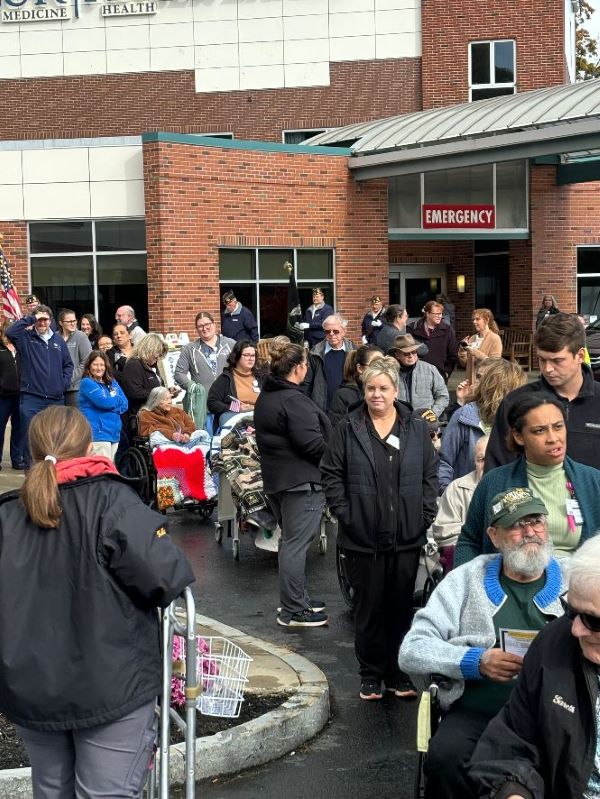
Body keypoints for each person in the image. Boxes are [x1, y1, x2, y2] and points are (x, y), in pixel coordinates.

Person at [0, 405, 194, 798]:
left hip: (31, 686)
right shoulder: (113, 501)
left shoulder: (8, 515)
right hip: (112, 683)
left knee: (50, 789)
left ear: (33, 451)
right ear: (89, 448)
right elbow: (166, 577)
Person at [399, 488, 565, 799]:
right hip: (478, 713)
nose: (530, 532)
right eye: (517, 525)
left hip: (555, 715)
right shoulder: (464, 580)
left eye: (536, 521)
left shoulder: (574, 580)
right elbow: (412, 649)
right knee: (445, 758)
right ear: (494, 535)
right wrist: (475, 661)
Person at [320, 356, 438, 699]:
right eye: (370, 388)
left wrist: (424, 514)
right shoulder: (348, 427)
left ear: (395, 390)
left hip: (406, 534)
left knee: (400, 607)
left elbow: (430, 474)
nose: (376, 394)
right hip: (362, 536)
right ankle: (371, 673)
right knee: (368, 607)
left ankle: (398, 672)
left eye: (383, 388)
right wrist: (346, 514)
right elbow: (331, 474)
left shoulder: (415, 428)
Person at [469, 534, 600, 799]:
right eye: (571, 610)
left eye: (592, 620)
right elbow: (514, 740)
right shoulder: (553, 642)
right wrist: (512, 790)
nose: (575, 629)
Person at [456, 394, 600, 566]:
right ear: (518, 436)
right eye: (539, 430)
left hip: (578, 579)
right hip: (508, 578)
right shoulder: (493, 482)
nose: (553, 438)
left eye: (558, 427)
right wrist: (467, 578)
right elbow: (469, 541)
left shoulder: (593, 481)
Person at [254, 341, 331, 627]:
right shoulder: (292, 399)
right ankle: (294, 610)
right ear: (298, 368)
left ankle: (296, 599)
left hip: (279, 480)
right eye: (306, 364)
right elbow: (311, 444)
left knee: (290, 543)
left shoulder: (268, 395)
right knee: (294, 546)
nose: (307, 368)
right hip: (301, 482)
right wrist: (338, 458)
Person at [485, 312, 600, 471]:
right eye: (542, 360)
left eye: (557, 360)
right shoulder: (515, 403)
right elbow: (496, 470)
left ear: (580, 355)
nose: (547, 369)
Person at [438, 359, 526, 493]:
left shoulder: (520, 419)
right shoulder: (464, 415)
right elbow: (445, 462)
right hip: (467, 497)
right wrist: (450, 495)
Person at [7, 306, 73, 467]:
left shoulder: (58, 341)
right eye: (39, 319)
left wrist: (62, 383)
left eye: (45, 319)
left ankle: (52, 475)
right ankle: (32, 477)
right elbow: (10, 332)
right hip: (31, 398)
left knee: (54, 440)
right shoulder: (25, 338)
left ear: (51, 321)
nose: (42, 322)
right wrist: (31, 318)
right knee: (31, 440)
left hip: (55, 400)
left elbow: (68, 365)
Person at [432, 435, 489, 560]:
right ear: (474, 462)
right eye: (481, 460)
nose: (486, 465)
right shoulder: (457, 488)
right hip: (467, 561)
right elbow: (444, 533)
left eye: (490, 459)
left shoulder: (513, 484)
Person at [79, 351, 129, 461]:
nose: (99, 368)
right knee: (103, 469)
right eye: (95, 364)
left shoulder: (112, 382)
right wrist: (117, 400)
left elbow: (125, 404)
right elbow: (103, 402)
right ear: (89, 366)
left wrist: (111, 403)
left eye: (102, 365)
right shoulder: (87, 382)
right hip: (99, 434)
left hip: (114, 433)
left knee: (113, 468)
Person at [174, 311, 235, 394]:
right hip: (202, 398)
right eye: (200, 326)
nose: (204, 328)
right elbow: (179, 373)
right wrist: (193, 387)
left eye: (207, 324)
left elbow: (242, 367)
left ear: (214, 324)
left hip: (228, 396)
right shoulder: (189, 349)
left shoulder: (230, 344)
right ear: (196, 329)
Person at [389, 333, 449, 418]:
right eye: (406, 353)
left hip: (425, 421)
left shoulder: (430, 369)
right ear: (397, 355)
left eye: (414, 352)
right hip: (399, 421)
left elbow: (443, 396)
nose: (411, 356)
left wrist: (433, 413)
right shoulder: (390, 372)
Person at [207, 340, 263, 429]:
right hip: (236, 421)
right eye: (246, 355)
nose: (251, 358)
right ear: (237, 356)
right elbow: (212, 403)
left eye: (253, 355)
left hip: (260, 418)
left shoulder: (261, 377)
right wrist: (236, 408)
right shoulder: (225, 379)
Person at [120, 333, 171, 432]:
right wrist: (159, 396)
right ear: (149, 350)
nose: (158, 358)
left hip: (155, 414)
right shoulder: (133, 365)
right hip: (141, 416)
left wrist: (167, 391)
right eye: (157, 355)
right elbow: (135, 392)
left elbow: (157, 387)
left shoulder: (152, 365)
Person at [304, 314, 355, 411]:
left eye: (335, 331)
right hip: (322, 408)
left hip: (348, 408)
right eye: (327, 331)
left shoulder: (354, 351)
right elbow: (307, 383)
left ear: (344, 331)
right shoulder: (315, 352)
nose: (331, 334)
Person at [328, 344, 383, 427]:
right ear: (360, 368)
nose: (381, 370)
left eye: (384, 365)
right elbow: (337, 429)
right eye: (374, 365)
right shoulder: (343, 395)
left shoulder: (389, 390)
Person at [408, 299, 459, 381]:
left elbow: (453, 354)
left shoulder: (447, 330)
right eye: (436, 314)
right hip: (417, 375)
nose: (440, 316)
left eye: (441, 313)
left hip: (439, 375)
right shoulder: (412, 328)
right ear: (427, 313)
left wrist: (446, 372)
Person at [0, 319, 24, 470]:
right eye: (5, 334)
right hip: (2, 396)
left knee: (18, 428)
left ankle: (17, 459)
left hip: (20, 395)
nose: (8, 338)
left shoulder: (21, 348)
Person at [58, 308, 92, 407]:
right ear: (61, 323)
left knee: (74, 415)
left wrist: (69, 379)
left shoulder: (81, 337)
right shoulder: (55, 337)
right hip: (57, 387)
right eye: (69, 321)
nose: (73, 323)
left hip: (75, 388)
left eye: (74, 320)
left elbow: (86, 362)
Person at [458, 308, 503, 385]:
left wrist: (476, 353)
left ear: (487, 320)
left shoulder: (495, 338)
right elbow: (464, 363)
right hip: (470, 382)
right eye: (473, 319)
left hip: (486, 382)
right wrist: (463, 350)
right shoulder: (472, 338)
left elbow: (495, 363)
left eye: (477, 319)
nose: (474, 322)